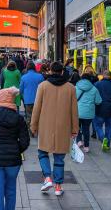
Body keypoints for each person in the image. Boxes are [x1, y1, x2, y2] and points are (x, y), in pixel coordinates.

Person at [30, 61, 78, 197]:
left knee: (43, 153)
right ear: (62, 72)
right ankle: (58, 186)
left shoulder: (43, 86)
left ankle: (47, 178)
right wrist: (75, 128)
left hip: (45, 125)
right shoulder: (70, 88)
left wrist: (33, 125)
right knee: (59, 158)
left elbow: (37, 108)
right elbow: (74, 110)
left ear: (50, 71)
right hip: (63, 126)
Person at [75, 66, 101, 152]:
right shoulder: (94, 89)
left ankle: (79, 141)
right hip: (89, 113)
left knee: (77, 127)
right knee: (86, 129)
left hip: (78, 111)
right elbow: (98, 101)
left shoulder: (76, 87)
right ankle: (86, 147)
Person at [19, 61, 44, 136]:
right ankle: (38, 130)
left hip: (28, 100)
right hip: (38, 100)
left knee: (29, 116)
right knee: (38, 115)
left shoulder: (23, 77)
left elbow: (20, 90)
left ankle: (31, 131)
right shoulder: (40, 76)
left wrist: (22, 96)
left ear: (27, 68)